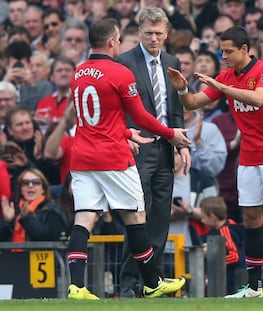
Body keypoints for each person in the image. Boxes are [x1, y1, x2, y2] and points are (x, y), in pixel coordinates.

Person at [168, 26, 263, 298]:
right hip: (250, 156)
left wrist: (221, 86)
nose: (224, 56)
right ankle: (254, 288)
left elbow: (259, 98)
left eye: (229, 51)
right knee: (251, 220)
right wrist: (183, 87)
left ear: (245, 49)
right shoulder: (227, 76)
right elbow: (194, 102)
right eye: (222, 50)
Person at [66, 17, 191, 300]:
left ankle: (76, 286)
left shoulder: (78, 73)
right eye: (119, 39)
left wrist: (126, 132)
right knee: (136, 216)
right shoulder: (120, 72)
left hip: (83, 157)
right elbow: (143, 116)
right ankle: (152, 282)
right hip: (112, 157)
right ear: (112, 41)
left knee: (84, 218)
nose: (120, 43)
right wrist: (170, 132)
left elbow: (92, 118)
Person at [116, 7, 192, 298]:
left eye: (159, 33)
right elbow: (118, 109)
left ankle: (153, 281)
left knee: (160, 217)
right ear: (138, 32)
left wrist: (181, 144)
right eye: (148, 33)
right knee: (137, 217)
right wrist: (124, 136)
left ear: (167, 33)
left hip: (164, 148)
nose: (154, 38)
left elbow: (175, 107)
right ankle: (127, 284)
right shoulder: (124, 62)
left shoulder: (172, 61)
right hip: (137, 147)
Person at [0, 168, 67, 242]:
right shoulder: (14, 210)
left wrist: (27, 218)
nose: (30, 185)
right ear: (20, 189)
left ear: (43, 189)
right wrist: (7, 222)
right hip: (12, 253)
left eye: (36, 182)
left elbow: (49, 238)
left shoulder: (52, 210)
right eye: (25, 183)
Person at [200, 196, 245, 295]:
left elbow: (235, 256)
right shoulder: (229, 226)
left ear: (212, 217)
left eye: (203, 217)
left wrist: (214, 260)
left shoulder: (225, 231)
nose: (202, 221)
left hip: (234, 280)